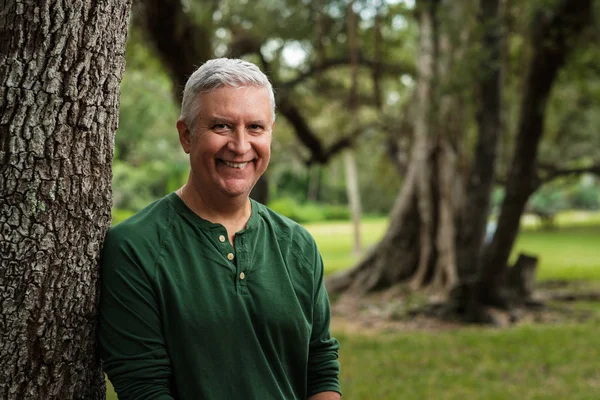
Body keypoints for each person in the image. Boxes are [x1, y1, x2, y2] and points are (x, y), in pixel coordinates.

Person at [98, 58, 342, 400]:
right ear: (186, 135)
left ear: (270, 132)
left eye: (255, 127)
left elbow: (320, 366)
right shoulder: (135, 247)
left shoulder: (297, 245)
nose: (241, 146)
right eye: (222, 126)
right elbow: (143, 387)